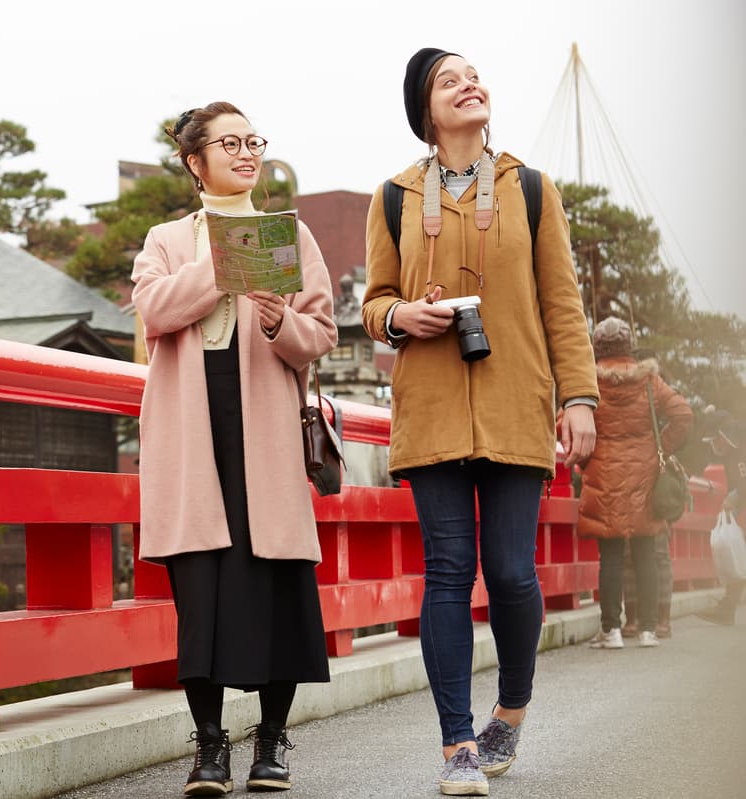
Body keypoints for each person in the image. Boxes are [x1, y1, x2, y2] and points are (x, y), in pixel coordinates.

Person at [362, 49, 598, 796]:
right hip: (430, 408)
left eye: (473, 75)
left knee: (510, 571)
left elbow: (563, 301)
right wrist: (404, 313)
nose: (470, 85)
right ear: (426, 110)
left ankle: (513, 706)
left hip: (514, 402)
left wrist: (580, 396)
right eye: (449, 80)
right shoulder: (394, 196)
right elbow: (373, 302)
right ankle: (457, 743)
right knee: (448, 572)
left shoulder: (529, 188)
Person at [131, 102, 337, 796]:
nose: (247, 153)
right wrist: (222, 266)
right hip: (192, 426)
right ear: (196, 161)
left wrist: (282, 321)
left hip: (265, 423)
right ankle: (210, 745)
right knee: (202, 580)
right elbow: (154, 310)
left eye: (254, 142)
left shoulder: (291, 235)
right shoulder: (165, 238)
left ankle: (271, 741)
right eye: (231, 143)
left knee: (275, 576)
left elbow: (321, 334)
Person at [578, 317, 692, 650]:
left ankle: (611, 630)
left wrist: (587, 455)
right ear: (629, 346)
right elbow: (683, 414)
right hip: (645, 475)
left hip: (604, 477)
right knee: (645, 550)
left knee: (611, 555)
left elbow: (566, 424)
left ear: (597, 347)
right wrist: (660, 446)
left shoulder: (590, 382)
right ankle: (647, 630)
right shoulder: (649, 382)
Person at [697, 411, 745, 625]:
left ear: (724, 435)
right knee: (738, 554)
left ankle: (727, 608)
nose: (714, 446)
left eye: (715, 440)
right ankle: (727, 609)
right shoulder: (729, 453)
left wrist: (735, 497)